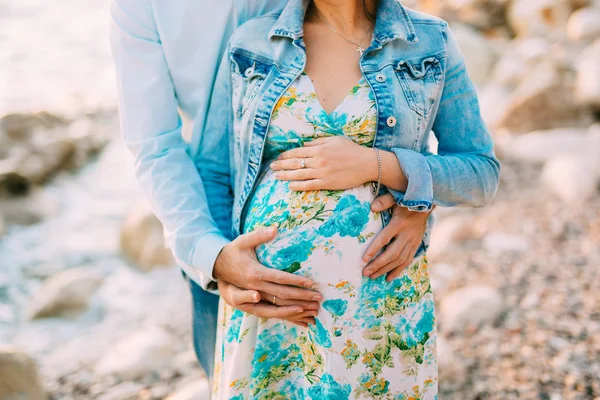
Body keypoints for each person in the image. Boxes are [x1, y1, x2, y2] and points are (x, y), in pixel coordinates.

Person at [109, 0, 433, 383]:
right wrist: (212, 256)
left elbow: (398, 90)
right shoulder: (138, 6)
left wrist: (417, 200)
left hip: (367, 267)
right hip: (213, 218)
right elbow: (154, 143)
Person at [204, 0, 500, 398]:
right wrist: (224, 265)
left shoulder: (429, 42)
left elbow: (481, 173)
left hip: (377, 306)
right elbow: (215, 172)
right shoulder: (252, 43)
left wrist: (380, 165)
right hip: (269, 308)